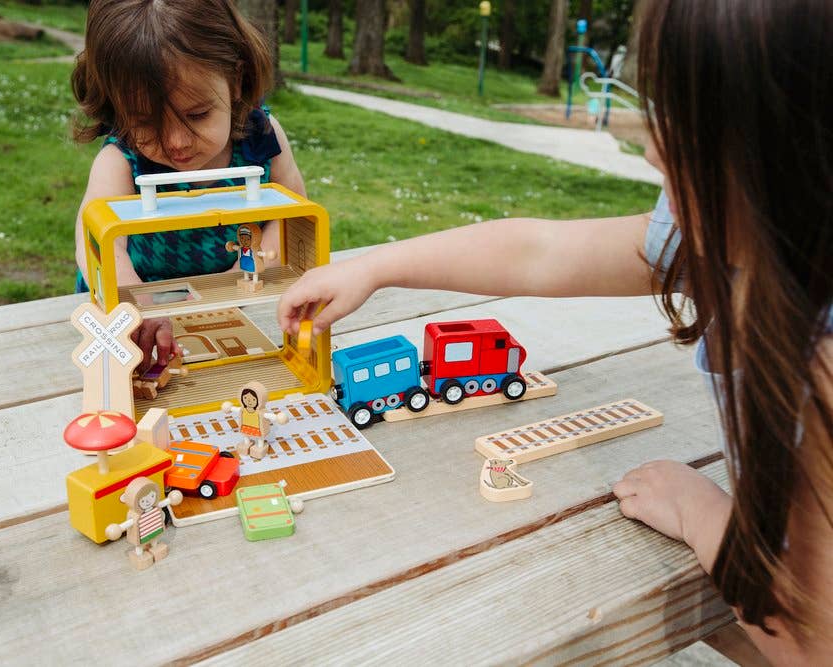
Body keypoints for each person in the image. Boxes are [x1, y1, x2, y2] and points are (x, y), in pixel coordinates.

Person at [278, 0, 832, 661]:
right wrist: (376, 266)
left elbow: (811, 639)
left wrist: (703, 516)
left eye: (689, 124)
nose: (652, 149)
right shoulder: (738, 233)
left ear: (794, 151)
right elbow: (541, 252)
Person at [70, 0, 306, 369]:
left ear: (236, 81)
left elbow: (291, 216)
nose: (177, 141)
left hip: (239, 305)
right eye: (146, 121)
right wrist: (136, 308)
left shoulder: (261, 138)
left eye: (197, 114)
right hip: (139, 313)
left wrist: (237, 282)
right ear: (116, 103)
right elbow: (97, 245)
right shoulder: (120, 161)